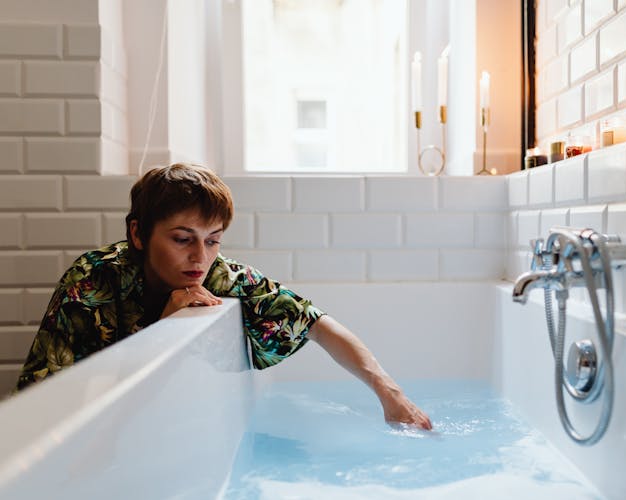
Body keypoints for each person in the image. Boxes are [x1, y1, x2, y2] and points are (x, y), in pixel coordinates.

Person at [16, 163, 432, 430]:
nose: (200, 257)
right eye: (183, 240)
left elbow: (316, 324)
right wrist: (162, 324)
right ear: (138, 233)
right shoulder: (91, 282)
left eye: (213, 241)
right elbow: (59, 407)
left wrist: (391, 396)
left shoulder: (221, 275)